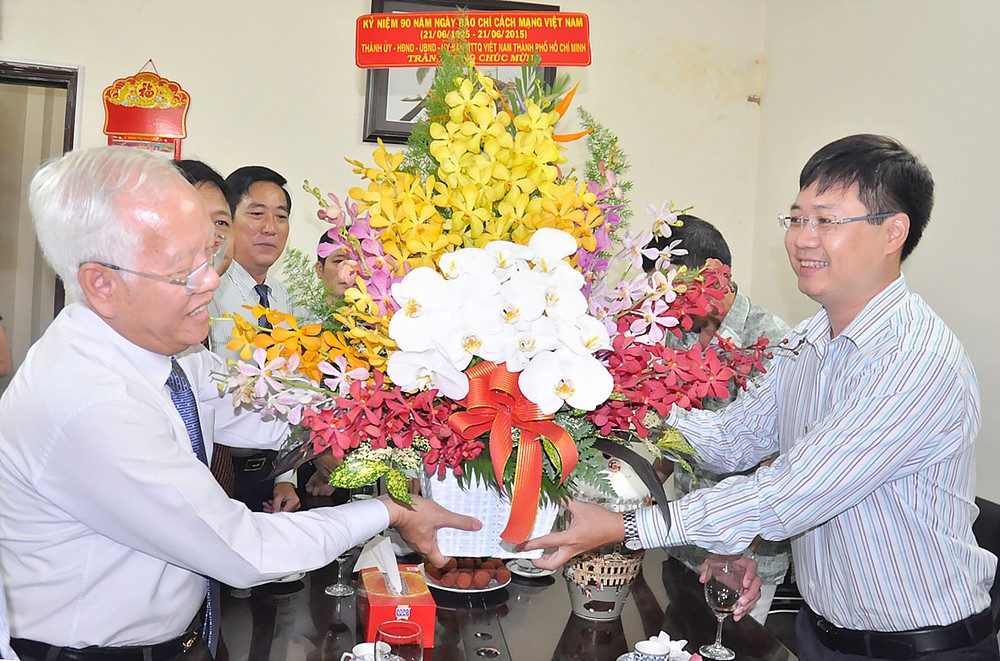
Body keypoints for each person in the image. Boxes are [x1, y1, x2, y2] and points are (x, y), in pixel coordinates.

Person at [525, 134, 999, 659]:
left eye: (826, 220)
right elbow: (732, 439)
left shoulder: (914, 357)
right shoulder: (809, 341)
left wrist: (626, 525)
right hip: (822, 634)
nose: (803, 239)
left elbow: (789, 493)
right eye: (796, 219)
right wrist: (611, 398)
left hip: (919, 647)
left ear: (894, 231)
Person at [0, 146, 480, 660]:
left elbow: (264, 409)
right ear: (102, 284)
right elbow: (245, 548)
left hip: (180, 638)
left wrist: (413, 405)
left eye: (209, 253)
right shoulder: (89, 401)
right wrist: (388, 510)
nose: (211, 280)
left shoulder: (171, 351)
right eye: (182, 270)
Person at [644, 215, 791, 625]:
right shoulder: (679, 331)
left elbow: (779, 468)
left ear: (717, 276)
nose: (664, 300)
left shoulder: (776, 344)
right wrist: (654, 476)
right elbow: (679, 424)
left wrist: (737, 552)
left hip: (745, 556)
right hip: (687, 543)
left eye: (673, 287)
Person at [207, 165, 299, 514]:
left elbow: (288, 387)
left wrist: (285, 476)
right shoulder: (209, 292)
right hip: (216, 468)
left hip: (267, 471)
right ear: (227, 220)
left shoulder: (280, 297)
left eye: (281, 216)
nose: (270, 228)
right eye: (257, 214)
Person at [174, 159, 238, 498]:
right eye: (197, 220)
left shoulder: (193, 356)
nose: (213, 238)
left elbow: (254, 412)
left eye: (221, 222)